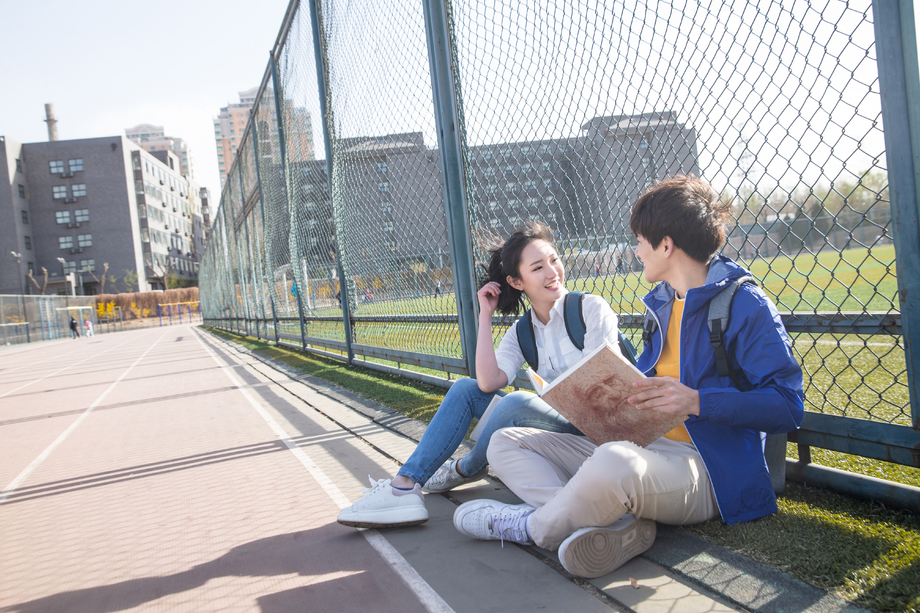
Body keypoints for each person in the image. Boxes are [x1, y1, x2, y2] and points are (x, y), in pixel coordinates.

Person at [453, 176, 804, 578]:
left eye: (640, 240)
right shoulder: (662, 304)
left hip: (707, 468)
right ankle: (612, 522)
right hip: (643, 445)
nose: (636, 250)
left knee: (612, 460)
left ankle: (531, 527)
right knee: (502, 443)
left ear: (666, 245)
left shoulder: (745, 303)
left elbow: (788, 406)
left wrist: (696, 402)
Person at [337, 221, 623, 528]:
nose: (553, 272)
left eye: (554, 260)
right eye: (538, 267)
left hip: (599, 430)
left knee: (517, 403)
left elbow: (606, 388)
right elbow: (488, 382)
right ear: (516, 282)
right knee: (465, 390)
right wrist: (485, 315)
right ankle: (404, 486)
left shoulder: (590, 309)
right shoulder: (522, 332)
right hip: (558, 428)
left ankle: (466, 467)